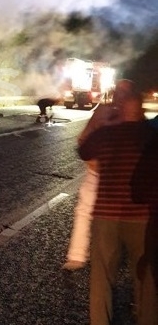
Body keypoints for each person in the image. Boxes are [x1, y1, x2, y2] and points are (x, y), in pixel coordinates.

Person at [78, 93, 158, 325]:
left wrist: (96, 120)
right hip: (142, 218)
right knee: (145, 279)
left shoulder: (106, 134)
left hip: (106, 215)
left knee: (102, 274)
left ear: (120, 110)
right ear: (141, 111)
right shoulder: (151, 135)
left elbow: (83, 151)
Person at [62, 79, 137, 271]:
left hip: (122, 177)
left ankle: (119, 255)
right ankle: (77, 255)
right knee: (84, 211)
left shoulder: (134, 116)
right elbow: (83, 138)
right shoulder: (102, 112)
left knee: (120, 217)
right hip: (96, 174)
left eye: (125, 92)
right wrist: (91, 159)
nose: (121, 96)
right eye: (119, 91)